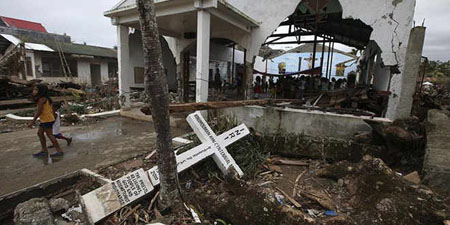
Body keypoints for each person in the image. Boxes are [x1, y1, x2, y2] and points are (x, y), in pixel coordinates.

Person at [28, 84, 63, 157]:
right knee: (40, 133)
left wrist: (32, 121)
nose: (34, 91)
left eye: (36, 90)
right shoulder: (45, 98)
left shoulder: (42, 99)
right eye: (34, 89)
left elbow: (39, 111)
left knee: (49, 135)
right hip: (46, 119)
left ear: (40, 91)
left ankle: (59, 150)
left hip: (47, 119)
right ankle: (44, 150)